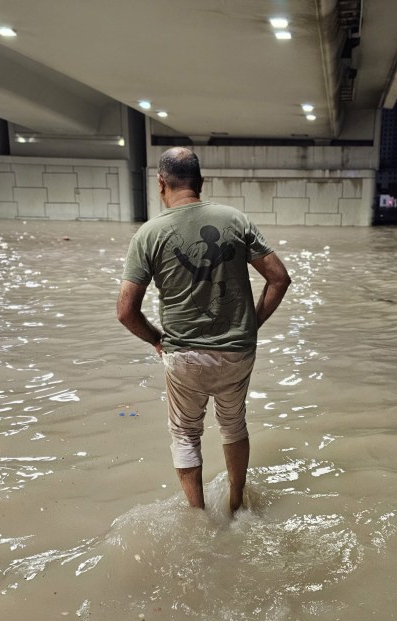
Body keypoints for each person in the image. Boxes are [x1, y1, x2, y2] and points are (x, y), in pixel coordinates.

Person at [117, 147, 291, 514]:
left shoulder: (149, 234)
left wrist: (156, 339)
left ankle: (198, 517)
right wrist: (250, 325)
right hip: (237, 352)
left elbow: (125, 311)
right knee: (233, 425)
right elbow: (279, 279)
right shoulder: (235, 220)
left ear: (160, 183)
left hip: (183, 355)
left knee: (185, 434)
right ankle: (235, 503)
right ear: (201, 182)